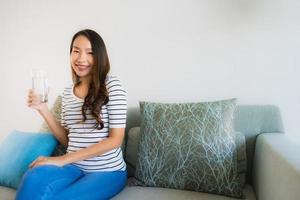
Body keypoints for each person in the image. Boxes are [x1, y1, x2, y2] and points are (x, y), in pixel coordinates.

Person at [16, 29, 128, 200]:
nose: (81, 58)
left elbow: (115, 140)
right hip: (73, 167)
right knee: (33, 177)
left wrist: (62, 159)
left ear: (99, 57)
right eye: (76, 51)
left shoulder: (113, 86)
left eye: (90, 53)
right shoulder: (68, 93)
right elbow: (69, 139)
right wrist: (43, 109)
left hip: (107, 172)